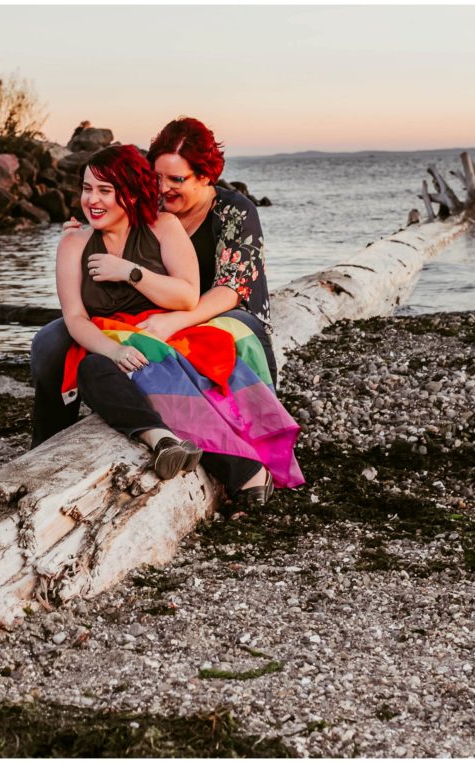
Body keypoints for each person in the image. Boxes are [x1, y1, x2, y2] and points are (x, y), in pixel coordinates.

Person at [30, 118, 287, 511]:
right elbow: (109, 205)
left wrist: (172, 318)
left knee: (218, 345)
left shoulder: (233, 211)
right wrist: (80, 235)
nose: (164, 188)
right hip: (141, 317)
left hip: (221, 311)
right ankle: (50, 443)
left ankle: (248, 437)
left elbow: (230, 289)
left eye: (177, 179)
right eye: (158, 177)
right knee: (52, 342)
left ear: (205, 177)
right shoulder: (150, 209)